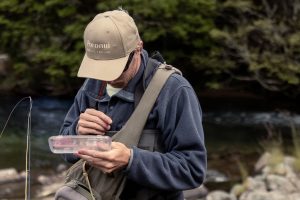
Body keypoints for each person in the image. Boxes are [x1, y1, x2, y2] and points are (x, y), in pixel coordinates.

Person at [59, 9, 207, 199]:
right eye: (100, 68)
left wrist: (131, 160)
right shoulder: (92, 85)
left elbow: (192, 170)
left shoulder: (174, 90)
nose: (107, 77)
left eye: (115, 68)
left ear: (138, 48)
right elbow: (64, 148)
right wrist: (78, 132)